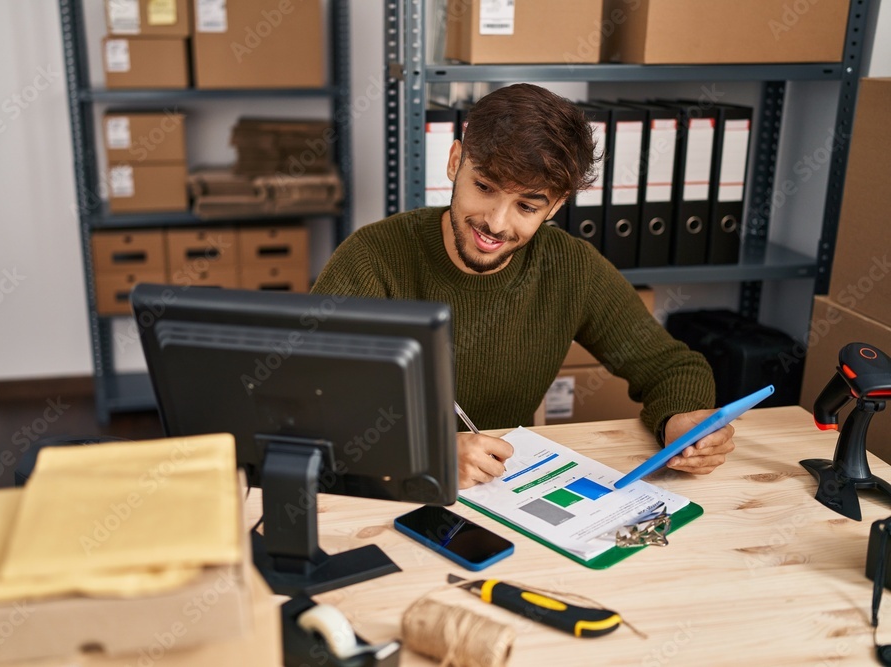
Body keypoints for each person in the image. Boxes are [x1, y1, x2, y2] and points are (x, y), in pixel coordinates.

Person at [311, 83, 735, 488]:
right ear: (455, 160)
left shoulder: (569, 266)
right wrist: (425, 452)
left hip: (506, 492)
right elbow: (311, 400)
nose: (495, 223)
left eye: (527, 206)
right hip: (387, 492)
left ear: (557, 204)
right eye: (484, 187)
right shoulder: (372, 257)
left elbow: (670, 366)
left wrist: (682, 419)